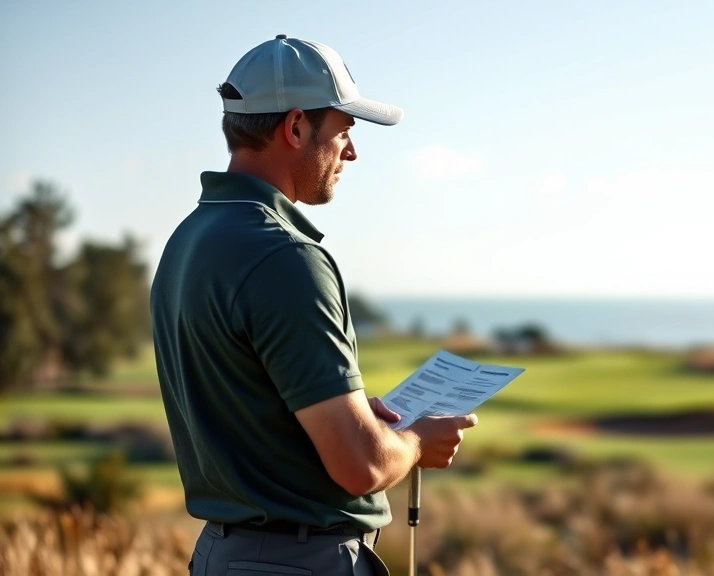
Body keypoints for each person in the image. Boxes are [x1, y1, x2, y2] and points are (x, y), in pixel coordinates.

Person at [150, 35, 477, 576]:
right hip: (298, 562)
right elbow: (361, 466)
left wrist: (351, 417)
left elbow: (255, 403)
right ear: (297, 127)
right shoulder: (286, 257)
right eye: (344, 131)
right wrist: (416, 442)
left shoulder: (189, 239)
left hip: (223, 555)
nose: (351, 152)